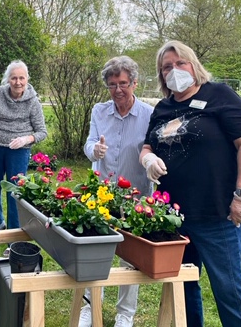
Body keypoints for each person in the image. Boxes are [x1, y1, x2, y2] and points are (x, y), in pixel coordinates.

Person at [139, 40, 241, 327]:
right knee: (183, 286)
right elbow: (146, 146)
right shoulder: (163, 108)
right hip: (174, 216)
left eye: (180, 63)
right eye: (167, 67)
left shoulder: (219, 95)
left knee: (229, 290)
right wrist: (149, 160)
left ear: (193, 65)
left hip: (215, 214)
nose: (174, 70)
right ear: (161, 75)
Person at [80, 56, 154, 327]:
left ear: (134, 83)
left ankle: (125, 315)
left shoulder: (148, 115)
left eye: (123, 83)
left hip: (135, 195)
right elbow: (89, 143)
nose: (118, 90)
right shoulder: (99, 112)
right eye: (112, 85)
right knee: (94, 253)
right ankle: (89, 306)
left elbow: (152, 150)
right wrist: (94, 150)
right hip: (102, 194)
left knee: (130, 258)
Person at [0, 60, 47, 242]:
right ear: (8, 79)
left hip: (19, 151)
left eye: (21, 78)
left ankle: (14, 235)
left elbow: (42, 132)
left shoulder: (33, 101)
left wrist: (26, 139)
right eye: (14, 78)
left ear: (27, 79)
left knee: (14, 191)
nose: (18, 82)